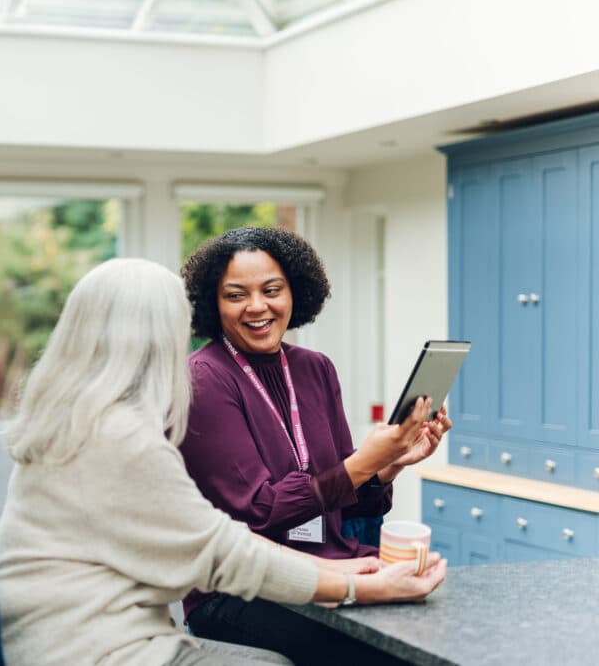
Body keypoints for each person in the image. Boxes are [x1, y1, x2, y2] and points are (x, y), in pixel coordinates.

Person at [0, 257, 447, 666]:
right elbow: (224, 551)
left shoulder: (69, 423)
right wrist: (357, 586)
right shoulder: (124, 435)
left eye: (271, 290)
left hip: (53, 639)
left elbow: (214, 536)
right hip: (97, 648)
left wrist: (380, 475)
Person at [179, 226, 452, 662]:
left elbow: (352, 503)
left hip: (337, 564)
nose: (257, 307)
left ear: (296, 293)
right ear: (212, 303)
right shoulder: (202, 378)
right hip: (241, 592)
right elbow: (260, 512)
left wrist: (391, 463)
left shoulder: (315, 368)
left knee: (437, 635)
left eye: (272, 290)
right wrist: (364, 462)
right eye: (235, 295)